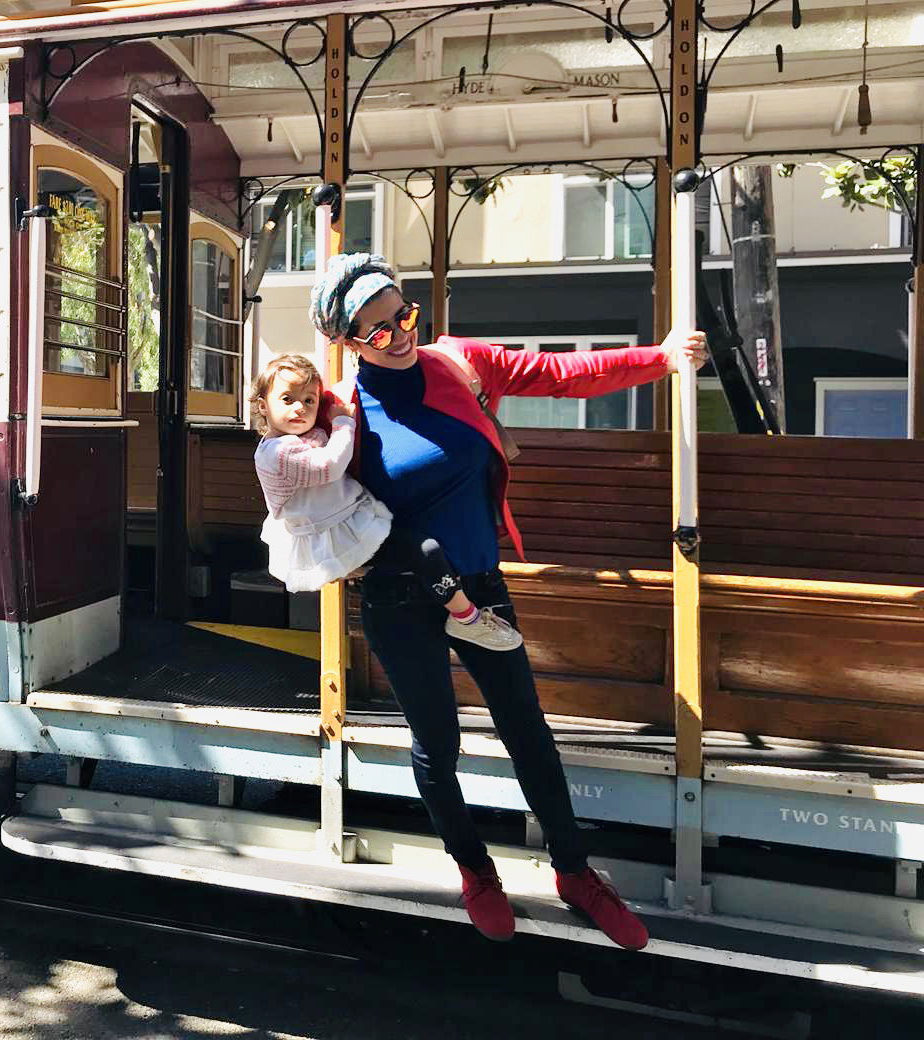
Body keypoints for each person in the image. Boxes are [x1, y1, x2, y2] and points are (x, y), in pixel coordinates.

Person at [309, 253, 707, 951]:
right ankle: (474, 871)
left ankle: (576, 873)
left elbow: (560, 376)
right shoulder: (342, 412)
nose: (399, 333)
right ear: (346, 341)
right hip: (401, 596)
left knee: (527, 730)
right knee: (439, 746)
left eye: (403, 314)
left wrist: (663, 358)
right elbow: (308, 498)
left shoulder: (458, 363)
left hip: (481, 587)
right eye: (375, 330)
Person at [250, 353, 523, 651]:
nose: (299, 408)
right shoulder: (277, 453)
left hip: (345, 518)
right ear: (263, 406)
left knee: (419, 548)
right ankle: (466, 618)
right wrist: (343, 422)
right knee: (425, 551)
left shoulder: (299, 435)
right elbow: (329, 466)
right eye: (287, 399)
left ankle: (374, 569)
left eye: (309, 400)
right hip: (329, 534)